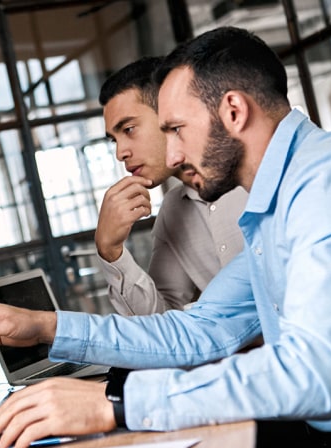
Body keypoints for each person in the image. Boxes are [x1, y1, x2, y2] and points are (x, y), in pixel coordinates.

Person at [0, 26, 331, 448]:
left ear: (233, 110)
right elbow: (200, 330)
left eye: (175, 129)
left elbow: (315, 373)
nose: (174, 153)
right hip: (329, 431)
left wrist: (114, 405)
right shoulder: (282, 198)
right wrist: (45, 326)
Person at [96, 56, 247, 314]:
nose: (120, 152)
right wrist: (110, 251)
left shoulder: (251, 180)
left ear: (169, 113)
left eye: (129, 129)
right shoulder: (173, 211)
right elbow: (159, 324)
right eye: (114, 140)